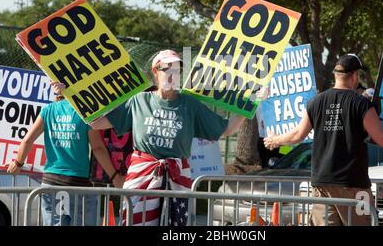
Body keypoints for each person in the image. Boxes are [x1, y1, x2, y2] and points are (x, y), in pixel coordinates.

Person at [88, 49, 268, 226]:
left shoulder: (190, 104)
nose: (171, 74)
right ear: (155, 72)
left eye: (176, 69)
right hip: (141, 179)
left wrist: (253, 102)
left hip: (177, 181)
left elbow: (227, 129)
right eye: (166, 68)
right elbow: (96, 123)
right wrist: (69, 95)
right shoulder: (139, 101)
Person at [264, 53, 383, 226]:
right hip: (353, 183)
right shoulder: (361, 104)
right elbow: (381, 138)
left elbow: (298, 135)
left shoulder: (315, 102)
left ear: (336, 75)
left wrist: (275, 140)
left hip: (322, 182)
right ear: (354, 76)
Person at [6, 82, 125, 226]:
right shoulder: (84, 113)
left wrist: (18, 163)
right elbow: (98, 148)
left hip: (51, 182)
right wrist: (114, 176)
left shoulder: (48, 110)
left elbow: (28, 139)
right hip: (79, 184)